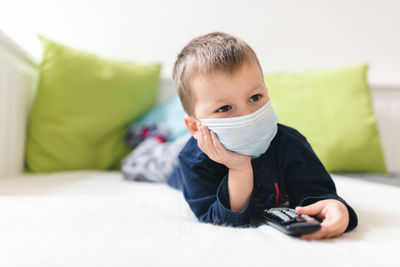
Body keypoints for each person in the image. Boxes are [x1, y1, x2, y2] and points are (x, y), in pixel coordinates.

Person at [122, 31, 358, 241]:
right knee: (136, 165)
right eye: (224, 109)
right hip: (177, 156)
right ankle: (154, 136)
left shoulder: (290, 144)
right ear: (195, 126)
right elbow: (219, 219)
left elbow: (316, 192)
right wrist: (239, 168)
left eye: (255, 98)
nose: (249, 116)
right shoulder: (191, 160)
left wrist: (335, 206)